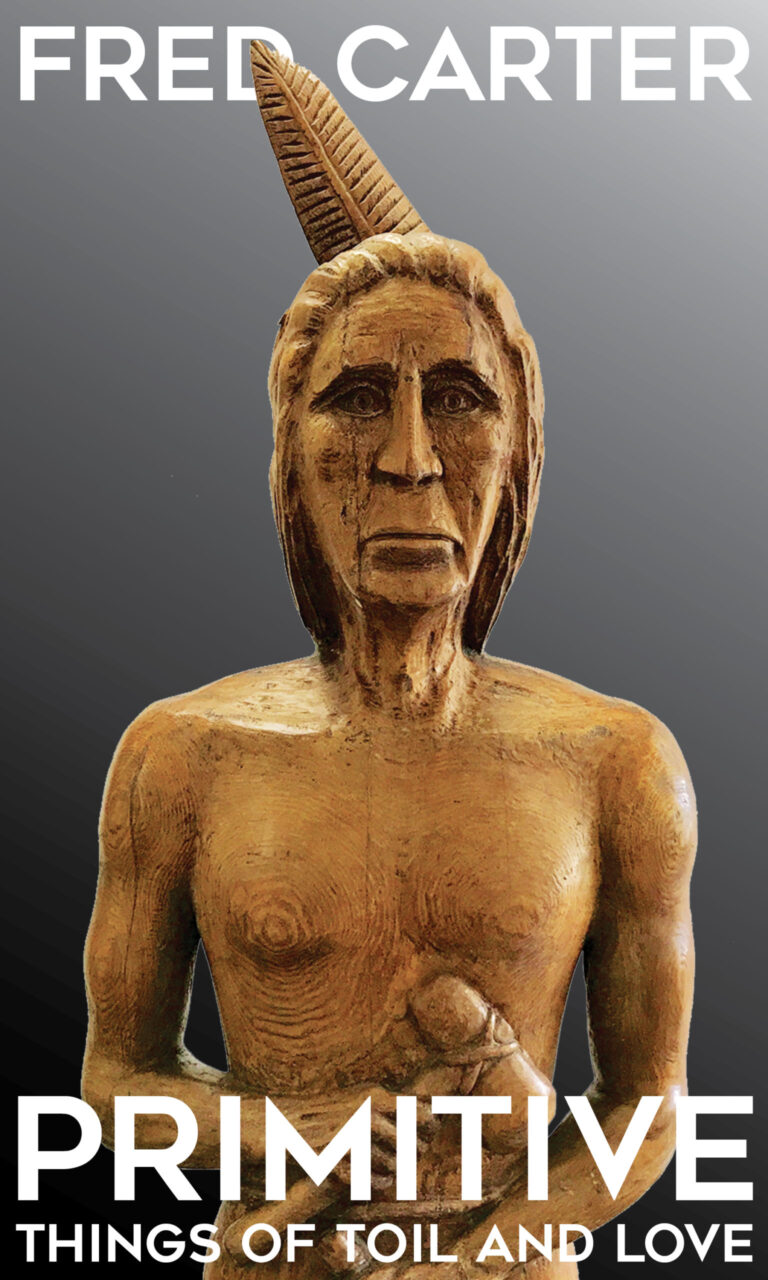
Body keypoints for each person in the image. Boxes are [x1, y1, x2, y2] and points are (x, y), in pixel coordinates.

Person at [82, 51, 696, 1280]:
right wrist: (304, 1129)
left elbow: (651, 1101)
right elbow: (115, 1077)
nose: (410, 457)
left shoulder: (617, 762)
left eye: (459, 399)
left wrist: (493, 1250)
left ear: (517, 452)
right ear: (291, 452)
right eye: (359, 398)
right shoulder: (181, 756)